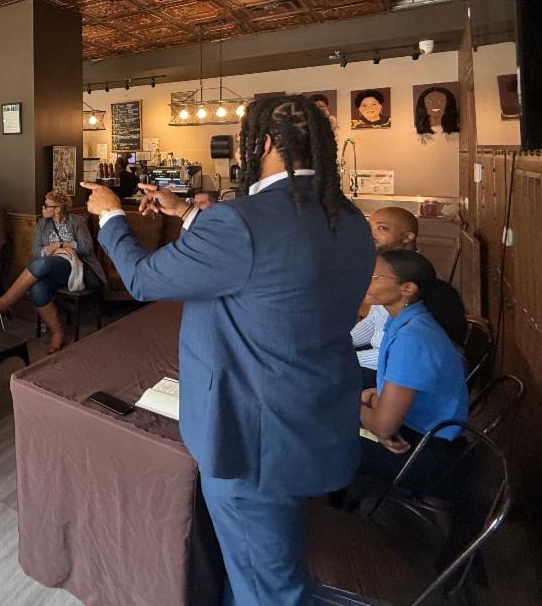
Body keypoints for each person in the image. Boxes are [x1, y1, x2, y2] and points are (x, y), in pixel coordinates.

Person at [81, 94, 375, 605]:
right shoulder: (349, 219)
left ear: (261, 143)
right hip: (318, 419)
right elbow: (273, 269)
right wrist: (184, 214)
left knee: (268, 588)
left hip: (252, 436)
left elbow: (144, 279)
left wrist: (111, 217)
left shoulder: (240, 222)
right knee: (265, 563)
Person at [358, 249, 469, 489]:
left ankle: (340, 519)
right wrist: (375, 404)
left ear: (407, 288)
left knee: (322, 439)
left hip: (422, 452)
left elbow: (383, 426)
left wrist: (352, 408)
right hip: (411, 432)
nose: (363, 278)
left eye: (374, 277)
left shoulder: (413, 338)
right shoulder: (404, 322)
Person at [354, 207, 466, 384]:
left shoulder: (421, 279)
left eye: (381, 228)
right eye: (370, 227)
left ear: (407, 237)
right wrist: (344, 343)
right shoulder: (386, 272)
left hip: (399, 368)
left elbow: (399, 352)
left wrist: (346, 357)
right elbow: (372, 323)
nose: (371, 234)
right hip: (380, 356)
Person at [0, 189, 105, 353]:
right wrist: (50, 251)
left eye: (46, 206)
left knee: (43, 264)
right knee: (38, 289)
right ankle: (58, 333)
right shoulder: (42, 224)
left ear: (57, 209)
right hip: (52, 269)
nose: (42, 208)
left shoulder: (76, 221)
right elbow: (36, 251)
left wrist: (60, 246)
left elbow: (87, 247)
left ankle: (4, 303)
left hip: (75, 269)